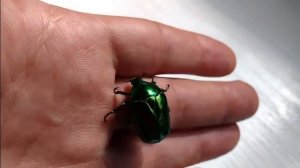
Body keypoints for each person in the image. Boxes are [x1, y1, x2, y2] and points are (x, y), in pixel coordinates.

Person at [1, 0, 259, 167]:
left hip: (147, 129)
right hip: (151, 131)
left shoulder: (140, 97)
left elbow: (129, 109)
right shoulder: (155, 94)